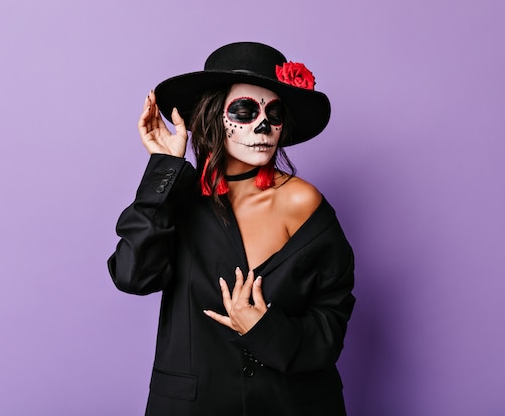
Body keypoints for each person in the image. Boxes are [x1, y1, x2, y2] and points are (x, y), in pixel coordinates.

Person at [108, 42, 355, 416]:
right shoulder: (179, 198)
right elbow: (132, 276)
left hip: (293, 405)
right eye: (245, 110)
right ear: (211, 116)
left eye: (274, 113)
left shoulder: (302, 201)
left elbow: (331, 320)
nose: (263, 126)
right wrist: (163, 168)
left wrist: (264, 328)